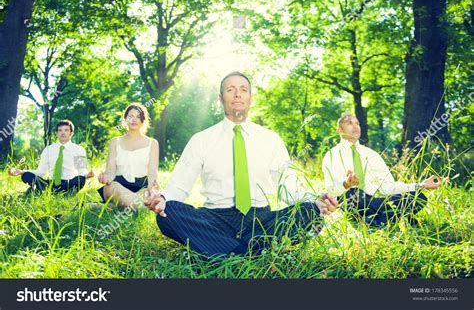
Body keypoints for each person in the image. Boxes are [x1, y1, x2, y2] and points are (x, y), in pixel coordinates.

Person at [145, 72, 338, 259]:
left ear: (250, 98)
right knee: (168, 213)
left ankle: (224, 250)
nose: (237, 93)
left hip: (262, 220)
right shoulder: (201, 140)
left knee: (310, 213)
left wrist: (316, 201)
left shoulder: (271, 140)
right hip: (215, 219)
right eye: (230, 89)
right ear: (220, 99)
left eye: (243, 89)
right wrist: (162, 199)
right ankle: (252, 251)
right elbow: (179, 186)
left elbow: (289, 188)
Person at [322, 113, 443, 226]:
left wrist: (420, 185)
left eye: (357, 123)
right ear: (339, 130)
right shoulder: (332, 155)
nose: (355, 126)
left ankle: (375, 221)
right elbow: (331, 191)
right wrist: (346, 184)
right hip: (352, 201)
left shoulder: (372, 154)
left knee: (418, 198)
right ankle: (392, 218)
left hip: (374, 202)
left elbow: (388, 187)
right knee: (354, 193)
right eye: (349, 123)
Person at [97, 103, 159, 209]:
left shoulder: (152, 143)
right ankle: (139, 207)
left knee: (148, 195)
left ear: (143, 120)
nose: (134, 120)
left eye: (138, 117)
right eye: (130, 116)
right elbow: (110, 170)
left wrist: (152, 185)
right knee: (112, 187)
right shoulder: (115, 142)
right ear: (125, 119)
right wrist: (106, 178)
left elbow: (152, 170)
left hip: (141, 186)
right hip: (117, 185)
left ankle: (107, 207)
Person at [8, 120, 93, 194]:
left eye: (66, 130)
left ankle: (43, 190)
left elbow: (81, 172)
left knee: (80, 179)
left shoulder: (79, 149)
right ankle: (54, 191)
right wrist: (21, 171)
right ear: (57, 133)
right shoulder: (48, 150)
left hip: (69, 183)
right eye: (60, 130)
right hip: (51, 183)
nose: (63, 133)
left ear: (71, 133)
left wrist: (87, 175)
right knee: (26, 175)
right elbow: (40, 172)